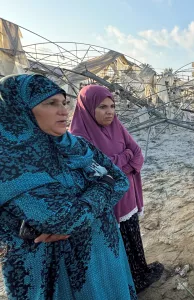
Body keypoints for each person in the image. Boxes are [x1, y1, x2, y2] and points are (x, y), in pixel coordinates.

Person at [0, 74, 137, 299]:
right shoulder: (12, 161)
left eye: (64, 102)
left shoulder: (74, 144)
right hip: (56, 272)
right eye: (50, 103)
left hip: (104, 256)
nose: (63, 110)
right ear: (20, 109)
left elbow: (120, 180)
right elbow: (67, 218)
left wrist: (79, 209)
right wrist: (104, 186)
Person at [70, 85, 164, 293]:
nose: (110, 111)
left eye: (112, 106)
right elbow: (98, 170)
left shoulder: (117, 126)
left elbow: (137, 153)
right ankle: (125, 284)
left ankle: (140, 274)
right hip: (108, 208)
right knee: (116, 248)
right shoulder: (78, 138)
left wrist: (119, 165)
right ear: (87, 108)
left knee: (133, 237)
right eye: (103, 107)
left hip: (128, 197)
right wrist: (125, 160)